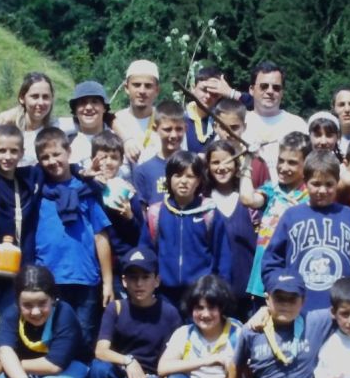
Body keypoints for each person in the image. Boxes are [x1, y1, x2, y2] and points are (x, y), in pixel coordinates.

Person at [91, 247, 184, 378]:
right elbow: (100, 351)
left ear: (157, 281)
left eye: (145, 277)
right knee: (99, 369)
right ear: (124, 281)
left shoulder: (169, 313)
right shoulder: (116, 309)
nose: (139, 284)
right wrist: (128, 361)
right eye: (133, 278)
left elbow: (180, 360)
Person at [23, 127, 113, 346]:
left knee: (83, 338)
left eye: (56, 154)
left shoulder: (87, 189)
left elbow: (101, 237)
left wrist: (108, 282)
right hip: (49, 280)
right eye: (45, 157)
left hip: (85, 278)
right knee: (51, 338)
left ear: (69, 152)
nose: (52, 161)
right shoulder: (38, 192)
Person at [262, 152, 350, 312]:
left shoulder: (349, 216)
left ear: (337, 183)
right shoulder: (291, 215)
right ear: (305, 182)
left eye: (329, 184)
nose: (322, 190)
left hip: (341, 310)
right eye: (316, 184)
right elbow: (271, 261)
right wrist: (281, 290)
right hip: (298, 310)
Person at [140, 150, 232, 308]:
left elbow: (222, 255)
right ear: (168, 179)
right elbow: (146, 252)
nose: (183, 181)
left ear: (199, 181)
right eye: (178, 175)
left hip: (201, 294)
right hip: (165, 294)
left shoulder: (208, 212)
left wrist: (221, 290)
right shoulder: (157, 212)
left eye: (190, 176)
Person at [240, 131, 311, 304]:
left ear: (306, 165)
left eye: (292, 163)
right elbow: (248, 199)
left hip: (291, 283)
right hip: (261, 280)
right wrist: (248, 160)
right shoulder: (272, 190)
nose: (284, 167)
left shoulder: (310, 197)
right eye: (281, 160)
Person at [0, 124, 39, 317]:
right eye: (2, 151)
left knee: (9, 324)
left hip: (17, 271)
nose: (7, 157)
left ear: (22, 153)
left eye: (13, 151)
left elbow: (59, 167)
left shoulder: (30, 179)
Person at [205, 139, 259, 316]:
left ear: (236, 165)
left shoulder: (248, 202)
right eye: (215, 162)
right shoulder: (204, 204)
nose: (221, 167)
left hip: (247, 294)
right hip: (214, 296)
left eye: (227, 161)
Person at [91, 130, 143, 295]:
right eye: (102, 157)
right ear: (93, 159)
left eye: (113, 158)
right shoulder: (88, 187)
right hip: (92, 264)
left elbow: (138, 233)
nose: (107, 162)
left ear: (121, 162)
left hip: (120, 264)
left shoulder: (127, 191)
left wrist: (130, 218)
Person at [243, 61, 308, 170]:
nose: (270, 91)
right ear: (251, 90)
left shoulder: (297, 125)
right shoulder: (238, 122)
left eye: (276, 88)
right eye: (264, 86)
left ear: (282, 92)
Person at [183, 64, 251, 154]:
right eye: (204, 90)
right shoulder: (181, 119)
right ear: (193, 88)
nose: (208, 96)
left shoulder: (224, 120)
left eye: (214, 93)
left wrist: (230, 92)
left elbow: (256, 105)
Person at [132, 100, 187, 206]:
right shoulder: (143, 170)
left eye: (179, 129)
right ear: (154, 128)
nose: (174, 135)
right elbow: (142, 214)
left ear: (186, 128)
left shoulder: (195, 165)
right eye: (167, 129)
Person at [0, 72, 56, 164]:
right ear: (22, 98)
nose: (41, 102)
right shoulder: (4, 124)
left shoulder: (57, 127)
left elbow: (80, 121)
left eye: (46, 97)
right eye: (35, 96)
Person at [113, 59, 162, 165]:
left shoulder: (167, 121)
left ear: (157, 90)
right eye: (136, 85)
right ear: (126, 88)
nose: (142, 91)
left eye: (148, 86)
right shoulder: (116, 121)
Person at [63, 81, 115, 167]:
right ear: (75, 110)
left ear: (104, 107)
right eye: (82, 102)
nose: (88, 107)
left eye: (95, 102)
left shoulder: (120, 139)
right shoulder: (67, 144)